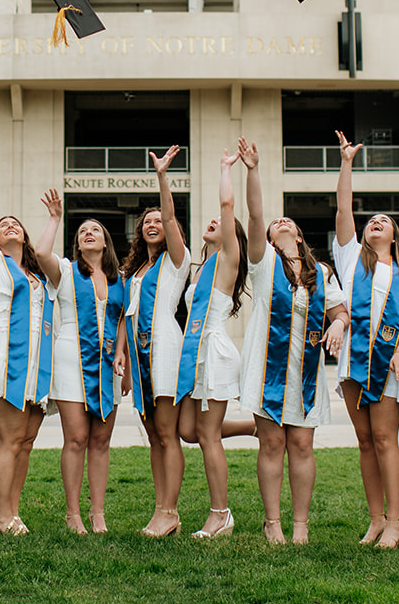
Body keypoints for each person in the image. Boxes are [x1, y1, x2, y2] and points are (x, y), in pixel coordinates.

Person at [333, 131, 399, 549]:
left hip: (390, 364)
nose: (375, 222)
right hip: (354, 364)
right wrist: (346, 163)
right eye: (371, 220)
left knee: (386, 438)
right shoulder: (352, 258)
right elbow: (343, 208)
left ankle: (396, 520)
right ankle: (375, 519)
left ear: (394, 235)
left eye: (384, 222)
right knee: (365, 440)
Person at [240, 198, 350, 544]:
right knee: (272, 443)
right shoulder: (263, 263)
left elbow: (341, 313)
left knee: (302, 445)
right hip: (266, 372)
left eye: (288, 221)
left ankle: (300, 524)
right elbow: (256, 213)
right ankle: (273, 522)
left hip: (305, 375)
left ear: (299, 237)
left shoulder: (322, 273)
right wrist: (253, 168)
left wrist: (338, 326)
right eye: (276, 223)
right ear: (270, 239)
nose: (281, 221)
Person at [0, 148, 56, 534]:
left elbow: (47, 253)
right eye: (4, 226)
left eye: (16, 223)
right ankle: (2, 516)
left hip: (36, 361)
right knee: (10, 438)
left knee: (27, 440)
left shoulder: (37, 275)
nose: (10, 226)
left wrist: (55, 218)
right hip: (4, 358)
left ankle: (10, 512)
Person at [175, 140, 258, 540]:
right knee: (189, 432)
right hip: (196, 354)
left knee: (205, 435)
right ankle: (249, 427)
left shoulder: (227, 260)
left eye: (219, 223)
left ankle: (220, 514)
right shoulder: (201, 266)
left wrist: (227, 167)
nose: (213, 221)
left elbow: (228, 209)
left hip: (216, 352)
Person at [38, 193, 128, 534]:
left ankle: (98, 512)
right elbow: (41, 253)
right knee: (76, 438)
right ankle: (73, 513)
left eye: (95, 230)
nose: (87, 233)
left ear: (105, 242)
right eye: (82, 231)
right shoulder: (65, 271)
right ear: (77, 243)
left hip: (108, 364)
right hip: (71, 357)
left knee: (101, 441)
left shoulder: (122, 278)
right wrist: (55, 218)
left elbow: (122, 321)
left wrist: (123, 356)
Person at [112, 144, 189, 537]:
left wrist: (162, 176)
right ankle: (161, 509)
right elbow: (126, 316)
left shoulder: (176, 260)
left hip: (164, 351)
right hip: (139, 360)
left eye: (159, 220)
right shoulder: (136, 269)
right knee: (152, 436)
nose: (154, 223)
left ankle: (170, 509)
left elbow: (172, 217)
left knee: (166, 432)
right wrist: (122, 360)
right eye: (147, 221)